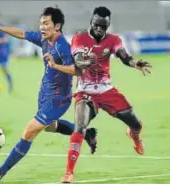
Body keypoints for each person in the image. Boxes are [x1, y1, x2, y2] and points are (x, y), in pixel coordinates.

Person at [0, 6, 97, 181]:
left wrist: (55, 66)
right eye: (41, 23)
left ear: (57, 26)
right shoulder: (44, 39)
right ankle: (86, 133)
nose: (42, 27)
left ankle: (1, 170)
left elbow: (78, 71)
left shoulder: (63, 47)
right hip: (44, 94)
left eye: (46, 23)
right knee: (50, 126)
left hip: (58, 99)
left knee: (29, 131)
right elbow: (22, 33)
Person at [60, 6, 152, 183]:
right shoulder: (80, 38)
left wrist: (135, 63)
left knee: (136, 124)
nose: (99, 29)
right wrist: (87, 61)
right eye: (97, 25)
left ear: (108, 25)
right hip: (85, 91)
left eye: (104, 26)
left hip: (106, 90)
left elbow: (124, 56)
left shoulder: (113, 40)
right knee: (80, 126)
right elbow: (78, 60)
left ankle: (134, 135)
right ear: (91, 22)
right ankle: (69, 173)